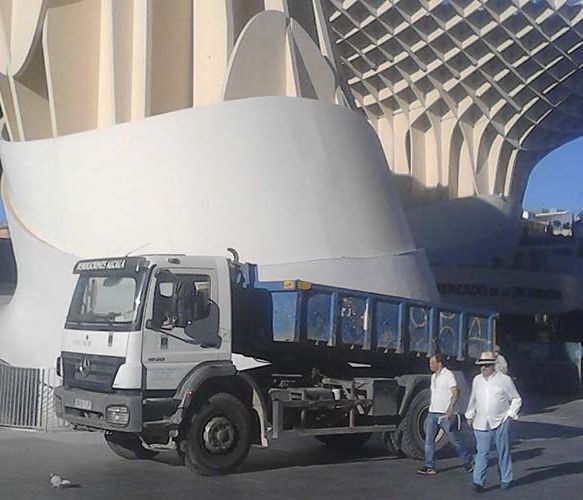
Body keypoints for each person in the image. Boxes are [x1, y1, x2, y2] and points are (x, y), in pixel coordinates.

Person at [465, 351, 522, 492]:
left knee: (503, 451)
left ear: (493, 366)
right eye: (482, 365)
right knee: (481, 453)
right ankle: (478, 481)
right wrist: (469, 414)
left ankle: (506, 479)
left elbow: (516, 398)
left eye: (486, 365)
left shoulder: (504, 380)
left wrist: (509, 415)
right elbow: (473, 398)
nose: (483, 368)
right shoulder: (477, 380)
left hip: (500, 421)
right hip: (481, 422)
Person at [417, 353, 473, 475]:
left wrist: (450, 408)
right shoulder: (433, 377)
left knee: (455, 440)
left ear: (440, 363)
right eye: (430, 363)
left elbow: (454, 393)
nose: (430, 365)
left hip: (445, 414)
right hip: (432, 413)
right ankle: (429, 465)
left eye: (433, 363)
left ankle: (468, 461)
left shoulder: (448, 375)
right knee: (429, 440)